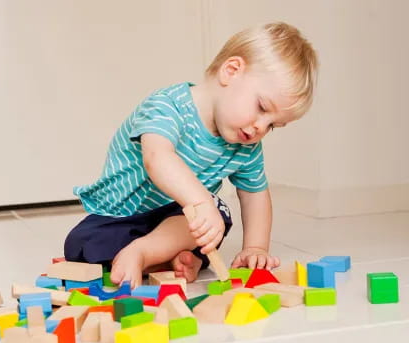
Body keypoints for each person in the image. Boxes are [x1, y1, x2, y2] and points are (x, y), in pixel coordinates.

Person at [64, 22, 319, 288]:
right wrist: (200, 202)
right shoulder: (168, 106)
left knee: (218, 217)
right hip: (121, 215)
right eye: (261, 107)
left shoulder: (246, 145)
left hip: (177, 220)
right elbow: (157, 158)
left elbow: (255, 194)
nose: (260, 128)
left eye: (272, 126)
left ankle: (145, 253)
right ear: (231, 71)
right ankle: (165, 257)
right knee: (81, 246)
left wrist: (256, 247)